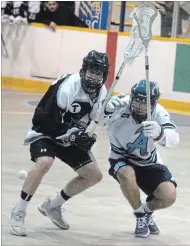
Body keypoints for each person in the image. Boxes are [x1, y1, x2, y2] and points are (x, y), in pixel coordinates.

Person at [9, 50, 110, 236]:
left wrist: (87, 136)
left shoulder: (102, 93)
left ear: (104, 75)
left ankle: (52, 206)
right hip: (45, 132)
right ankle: (19, 211)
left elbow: (92, 121)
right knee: (45, 162)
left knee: (93, 175)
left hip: (68, 135)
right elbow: (43, 120)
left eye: (99, 73)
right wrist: (73, 134)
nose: (94, 77)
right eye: (91, 71)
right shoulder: (68, 86)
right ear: (83, 70)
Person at [104, 79, 179, 238]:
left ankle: (145, 211)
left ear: (153, 104)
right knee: (126, 173)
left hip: (149, 163)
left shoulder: (159, 113)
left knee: (169, 196)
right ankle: (140, 217)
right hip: (121, 157)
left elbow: (174, 139)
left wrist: (161, 134)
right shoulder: (120, 105)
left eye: (144, 103)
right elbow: (95, 118)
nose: (139, 106)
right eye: (137, 101)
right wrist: (105, 110)